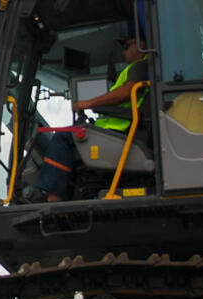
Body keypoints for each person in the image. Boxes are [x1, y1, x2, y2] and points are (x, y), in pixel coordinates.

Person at [32, 35, 151, 201]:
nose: (123, 52)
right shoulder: (135, 68)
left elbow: (125, 93)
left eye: (127, 46)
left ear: (141, 44)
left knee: (63, 138)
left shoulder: (140, 65)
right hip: (119, 129)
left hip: (121, 131)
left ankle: (54, 197)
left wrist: (89, 103)